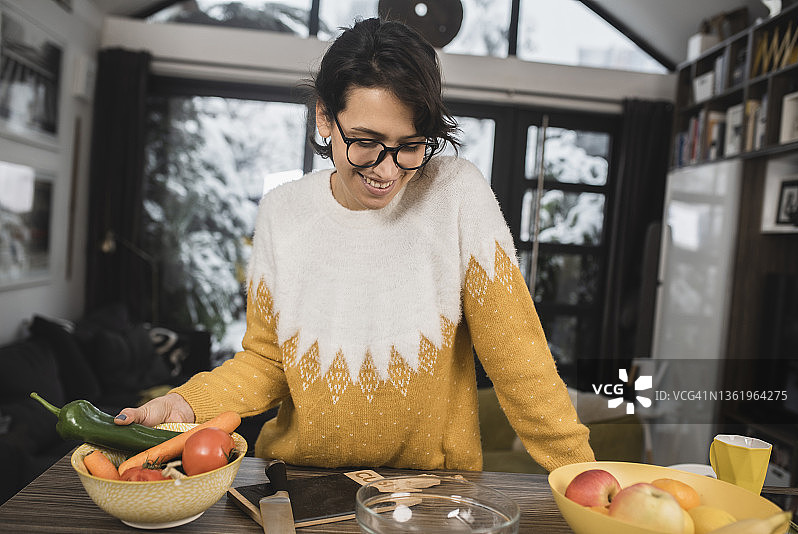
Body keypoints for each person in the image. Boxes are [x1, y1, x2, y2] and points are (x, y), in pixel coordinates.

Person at [115, 17, 594, 472]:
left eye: (411, 145)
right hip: (295, 480)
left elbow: (519, 358)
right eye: (366, 141)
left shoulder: (457, 193)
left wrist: (582, 477)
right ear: (325, 117)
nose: (387, 171)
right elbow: (268, 361)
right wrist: (186, 403)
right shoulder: (282, 213)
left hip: (430, 491)